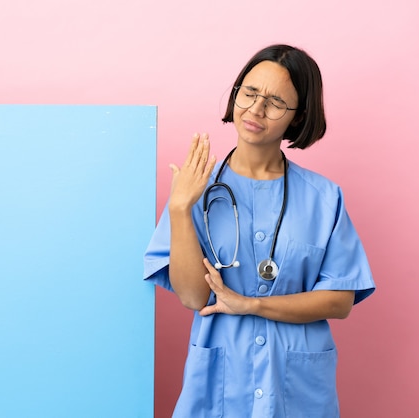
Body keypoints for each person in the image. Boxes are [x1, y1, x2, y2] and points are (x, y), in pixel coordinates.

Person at [143, 44, 375, 418]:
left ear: (297, 118)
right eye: (249, 93)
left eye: (275, 102)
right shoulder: (195, 188)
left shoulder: (323, 197)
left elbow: (339, 300)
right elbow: (192, 296)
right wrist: (180, 207)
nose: (256, 109)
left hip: (295, 384)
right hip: (221, 377)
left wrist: (251, 305)